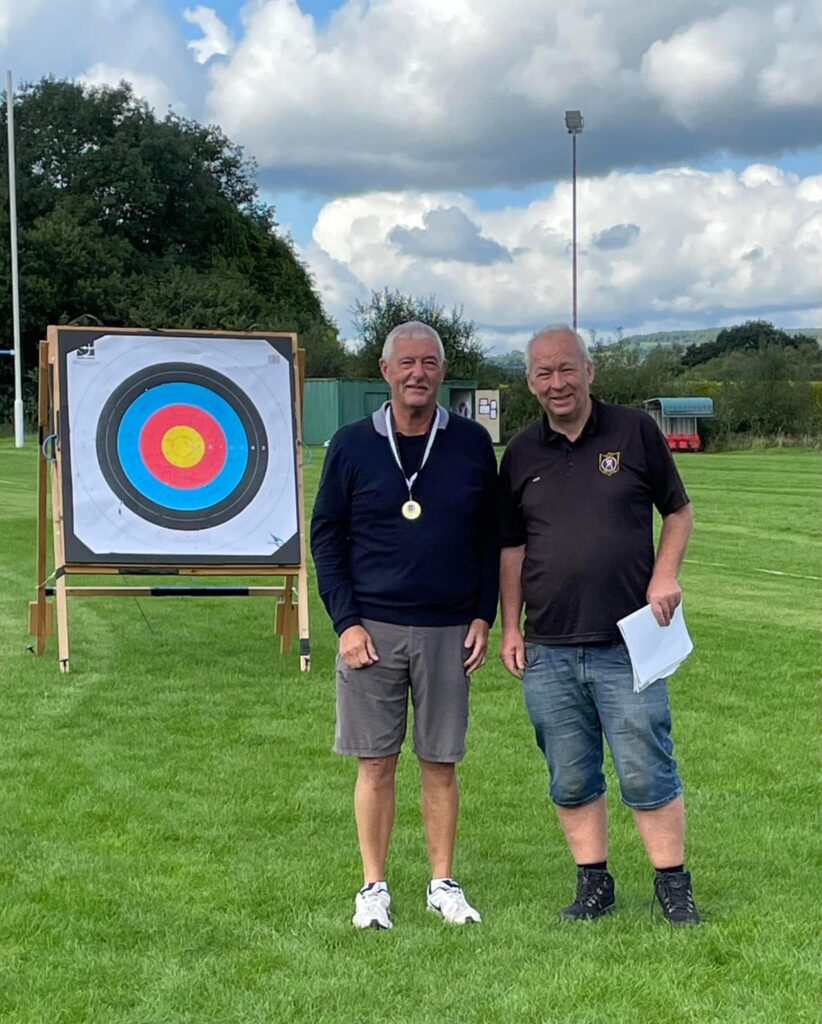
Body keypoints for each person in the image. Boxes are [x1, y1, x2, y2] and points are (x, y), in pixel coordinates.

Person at [499, 325, 701, 927]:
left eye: (567, 369)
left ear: (590, 371)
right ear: (530, 382)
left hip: (629, 642)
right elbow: (511, 548)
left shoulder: (635, 432)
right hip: (549, 646)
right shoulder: (520, 454)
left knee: (646, 763)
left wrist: (665, 574)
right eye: (543, 373)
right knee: (569, 770)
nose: (556, 383)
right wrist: (512, 627)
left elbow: (680, 511)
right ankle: (594, 884)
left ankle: (672, 884)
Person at [311, 321, 499, 930]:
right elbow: (327, 538)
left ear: (442, 373)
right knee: (376, 762)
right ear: (385, 372)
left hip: (449, 629)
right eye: (407, 363)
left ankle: (442, 883)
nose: (418, 373)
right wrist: (345, 622)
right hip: (373, 629)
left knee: (440, 763)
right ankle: (373, 887)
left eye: (429, 363)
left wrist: (483, 613)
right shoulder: (350, 444)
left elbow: (491, 538)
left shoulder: (472, 443)